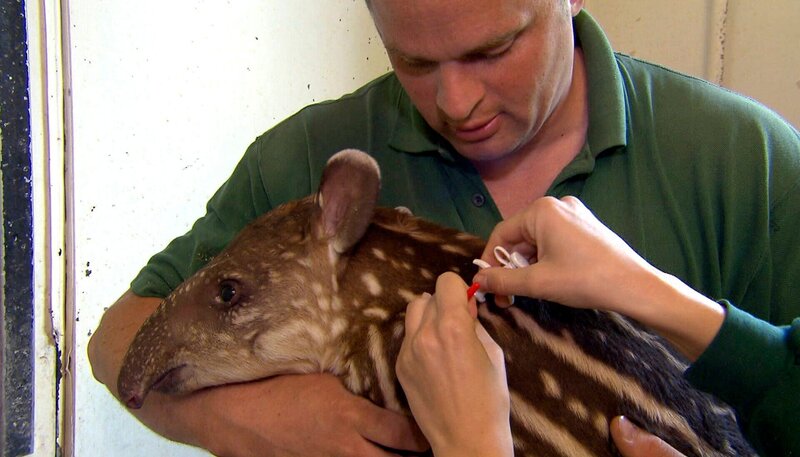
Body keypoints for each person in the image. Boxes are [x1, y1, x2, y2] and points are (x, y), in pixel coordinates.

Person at [88, 0, 800, 455]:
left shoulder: (746, 161)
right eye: (415, 62)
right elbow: (124, 335)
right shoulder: (312, 155)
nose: (456, 102)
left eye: (494, 50)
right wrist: (252, 418)